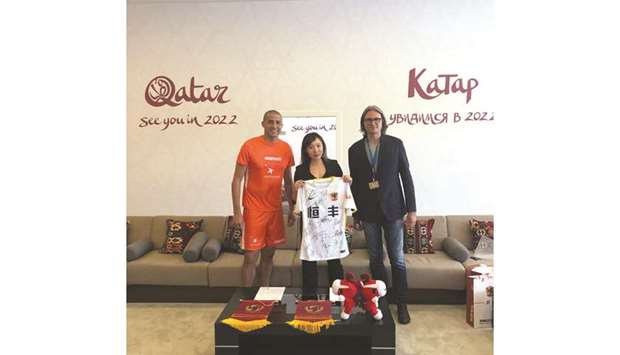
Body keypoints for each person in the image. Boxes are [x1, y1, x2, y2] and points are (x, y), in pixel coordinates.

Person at [348, 105, 417, 324]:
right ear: (363, 124)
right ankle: (381, 301)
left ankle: (403, 305)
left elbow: (406, 177)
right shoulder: (355, 149)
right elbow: (356, 185)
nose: (373, 123)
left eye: (377, 119)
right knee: (376, 258)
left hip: (394, 210)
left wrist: (412, 210)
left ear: (382, 122)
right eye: (368, 120)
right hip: (368, 212)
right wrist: (356, 213)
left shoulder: (395, 145)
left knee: (397, 259)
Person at [231, 110, 296, 287]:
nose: (274, 126)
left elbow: (289, 182)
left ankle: (264, 294)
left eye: (277, 123)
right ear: (263, 123)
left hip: (275, 211)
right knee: (251, 257)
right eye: (270, 122)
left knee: (268, 256)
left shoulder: (286, 148)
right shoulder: (249, 146)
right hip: (253, 210)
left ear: (281, 126)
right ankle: (247, 299)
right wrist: (237, 212)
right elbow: (237, 180)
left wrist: (291, 208)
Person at [293, 132, 352, 300]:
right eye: (311, 147)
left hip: (331, 222)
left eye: (318, 145)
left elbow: (342, 190)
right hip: (310, 221)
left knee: (333, 257)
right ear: (305, 150)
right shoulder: (300, 170)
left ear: (323, 146)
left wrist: (347, 181)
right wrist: (296, 187)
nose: (315, 150)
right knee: (309, 257)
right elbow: (294, 197)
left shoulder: (333, 165)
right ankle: (309, 296)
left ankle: (338, 294)